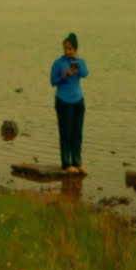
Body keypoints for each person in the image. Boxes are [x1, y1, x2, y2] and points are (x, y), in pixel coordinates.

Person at [49, 32, 89, 176]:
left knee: (77, 133)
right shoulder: (58, 63)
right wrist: (64, 75)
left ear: (75, 49)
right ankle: (66, 164)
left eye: (70, 48)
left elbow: (85, 74)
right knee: (66, 132)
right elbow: (53, 81)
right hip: (63, 101)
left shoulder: (79, 61)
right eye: (65, 48)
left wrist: (77, 61)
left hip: (78, 100)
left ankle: (77, 162)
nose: (67, 51)